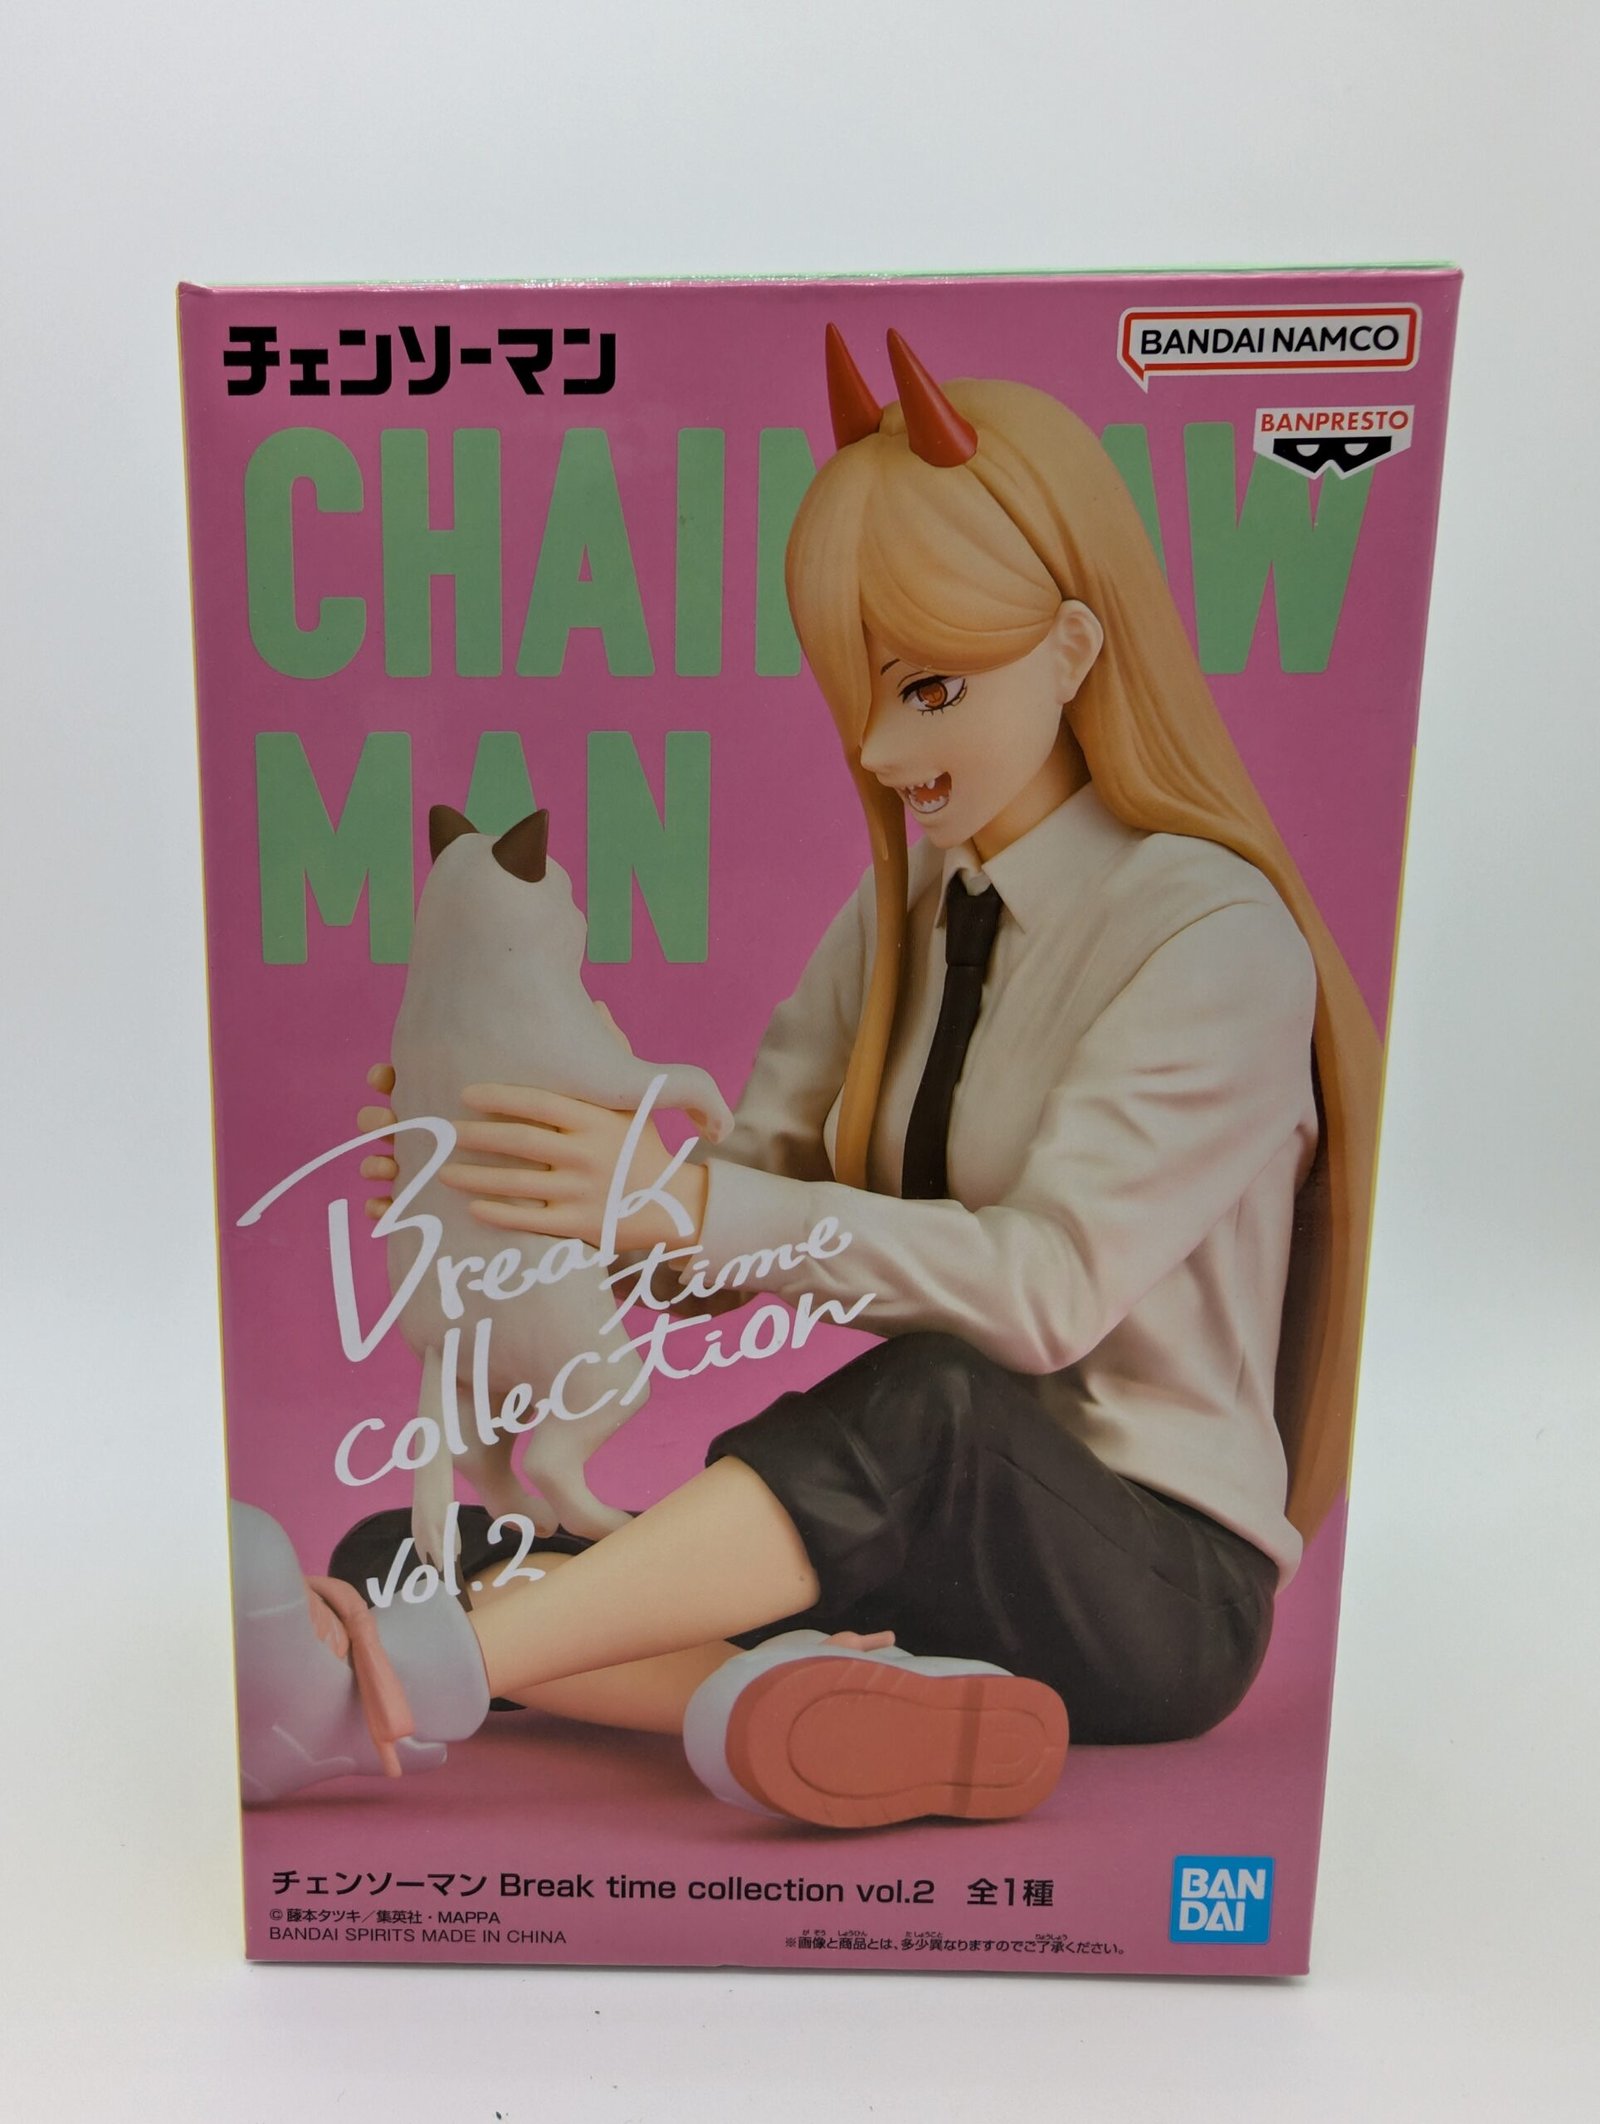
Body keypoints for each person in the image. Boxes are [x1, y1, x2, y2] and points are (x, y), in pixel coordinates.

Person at [231, 326, 1381, 1827]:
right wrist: (525, 1189)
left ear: (1072, 648)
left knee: (938, 1402)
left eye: (928, 688)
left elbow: (1044, 1294)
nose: (882, 744)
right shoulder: (905, 912)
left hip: (1144, 1582)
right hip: (911, 1539)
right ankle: (780, 1700)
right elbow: (728, 1220)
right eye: (858, 688)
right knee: (407, 1546)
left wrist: (683, 1206)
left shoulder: (1211, 938)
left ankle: (407, 1682)